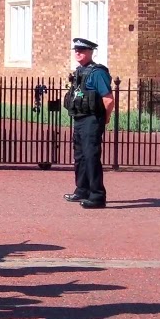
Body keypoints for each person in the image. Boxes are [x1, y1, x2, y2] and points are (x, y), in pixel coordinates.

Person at [64, 38, 114, 209]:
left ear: (91, 52)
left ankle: (97, 196)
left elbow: (108, 100)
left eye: (82, 50)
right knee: (80, 156)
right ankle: (82, 190)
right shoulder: (79, 71)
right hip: (79, 118)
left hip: (92, 119)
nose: (78, 53)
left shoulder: (97, 73)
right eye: (76, 50)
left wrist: (104, 119)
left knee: (91, 157)